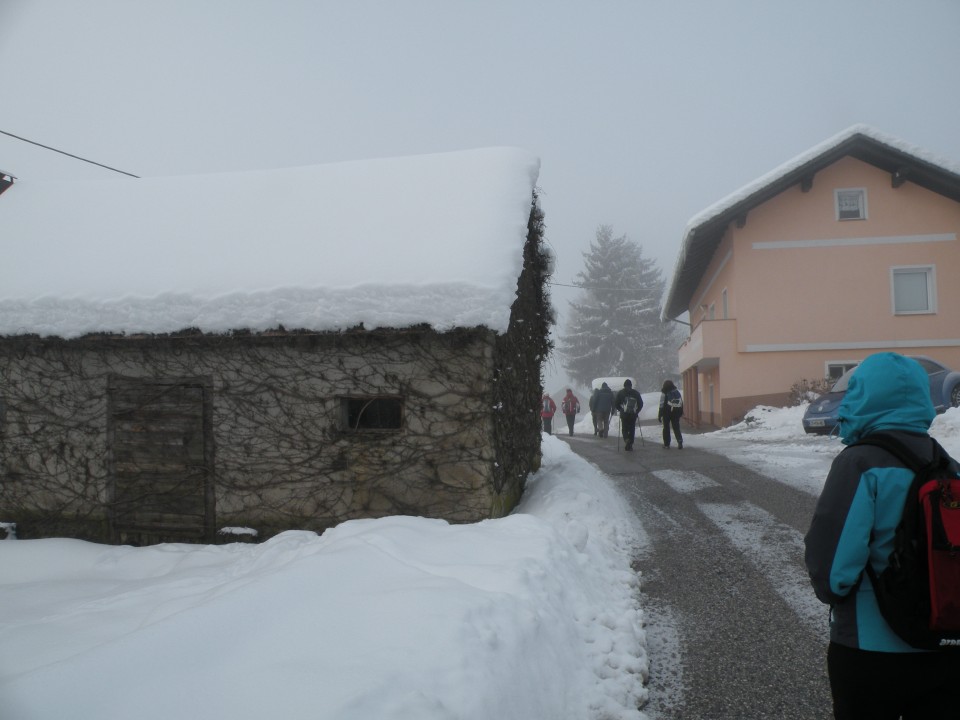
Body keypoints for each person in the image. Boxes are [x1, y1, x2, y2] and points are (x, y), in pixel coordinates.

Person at [804, 352, 960, 719]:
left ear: (864, 397)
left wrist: (831, 593)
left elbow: (834, 570)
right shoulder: (948, 465)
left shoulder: (860, 462)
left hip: (868, 652)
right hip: (945, 647)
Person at [614, 379, 643, 450]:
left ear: (624, 385)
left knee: (624, 428)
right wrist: (637, 411)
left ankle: (626, 439)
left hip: (624, 414)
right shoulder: (636, 393)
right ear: (631, 385)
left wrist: (620, 409)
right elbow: (641, 404)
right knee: (632, 428)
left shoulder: (620, 393)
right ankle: (630, 443)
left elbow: (616, 403)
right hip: (633, 414)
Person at [658, 380, 684, 449]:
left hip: (666, 412)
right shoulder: (676, 392)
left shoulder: (664, 392)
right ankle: (679, 440)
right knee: (676, 427)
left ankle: (667, 444)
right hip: (676, 411)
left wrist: (660, 414)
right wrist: (681, 411)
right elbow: (681, 402)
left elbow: (661, 404)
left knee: (666, 427)